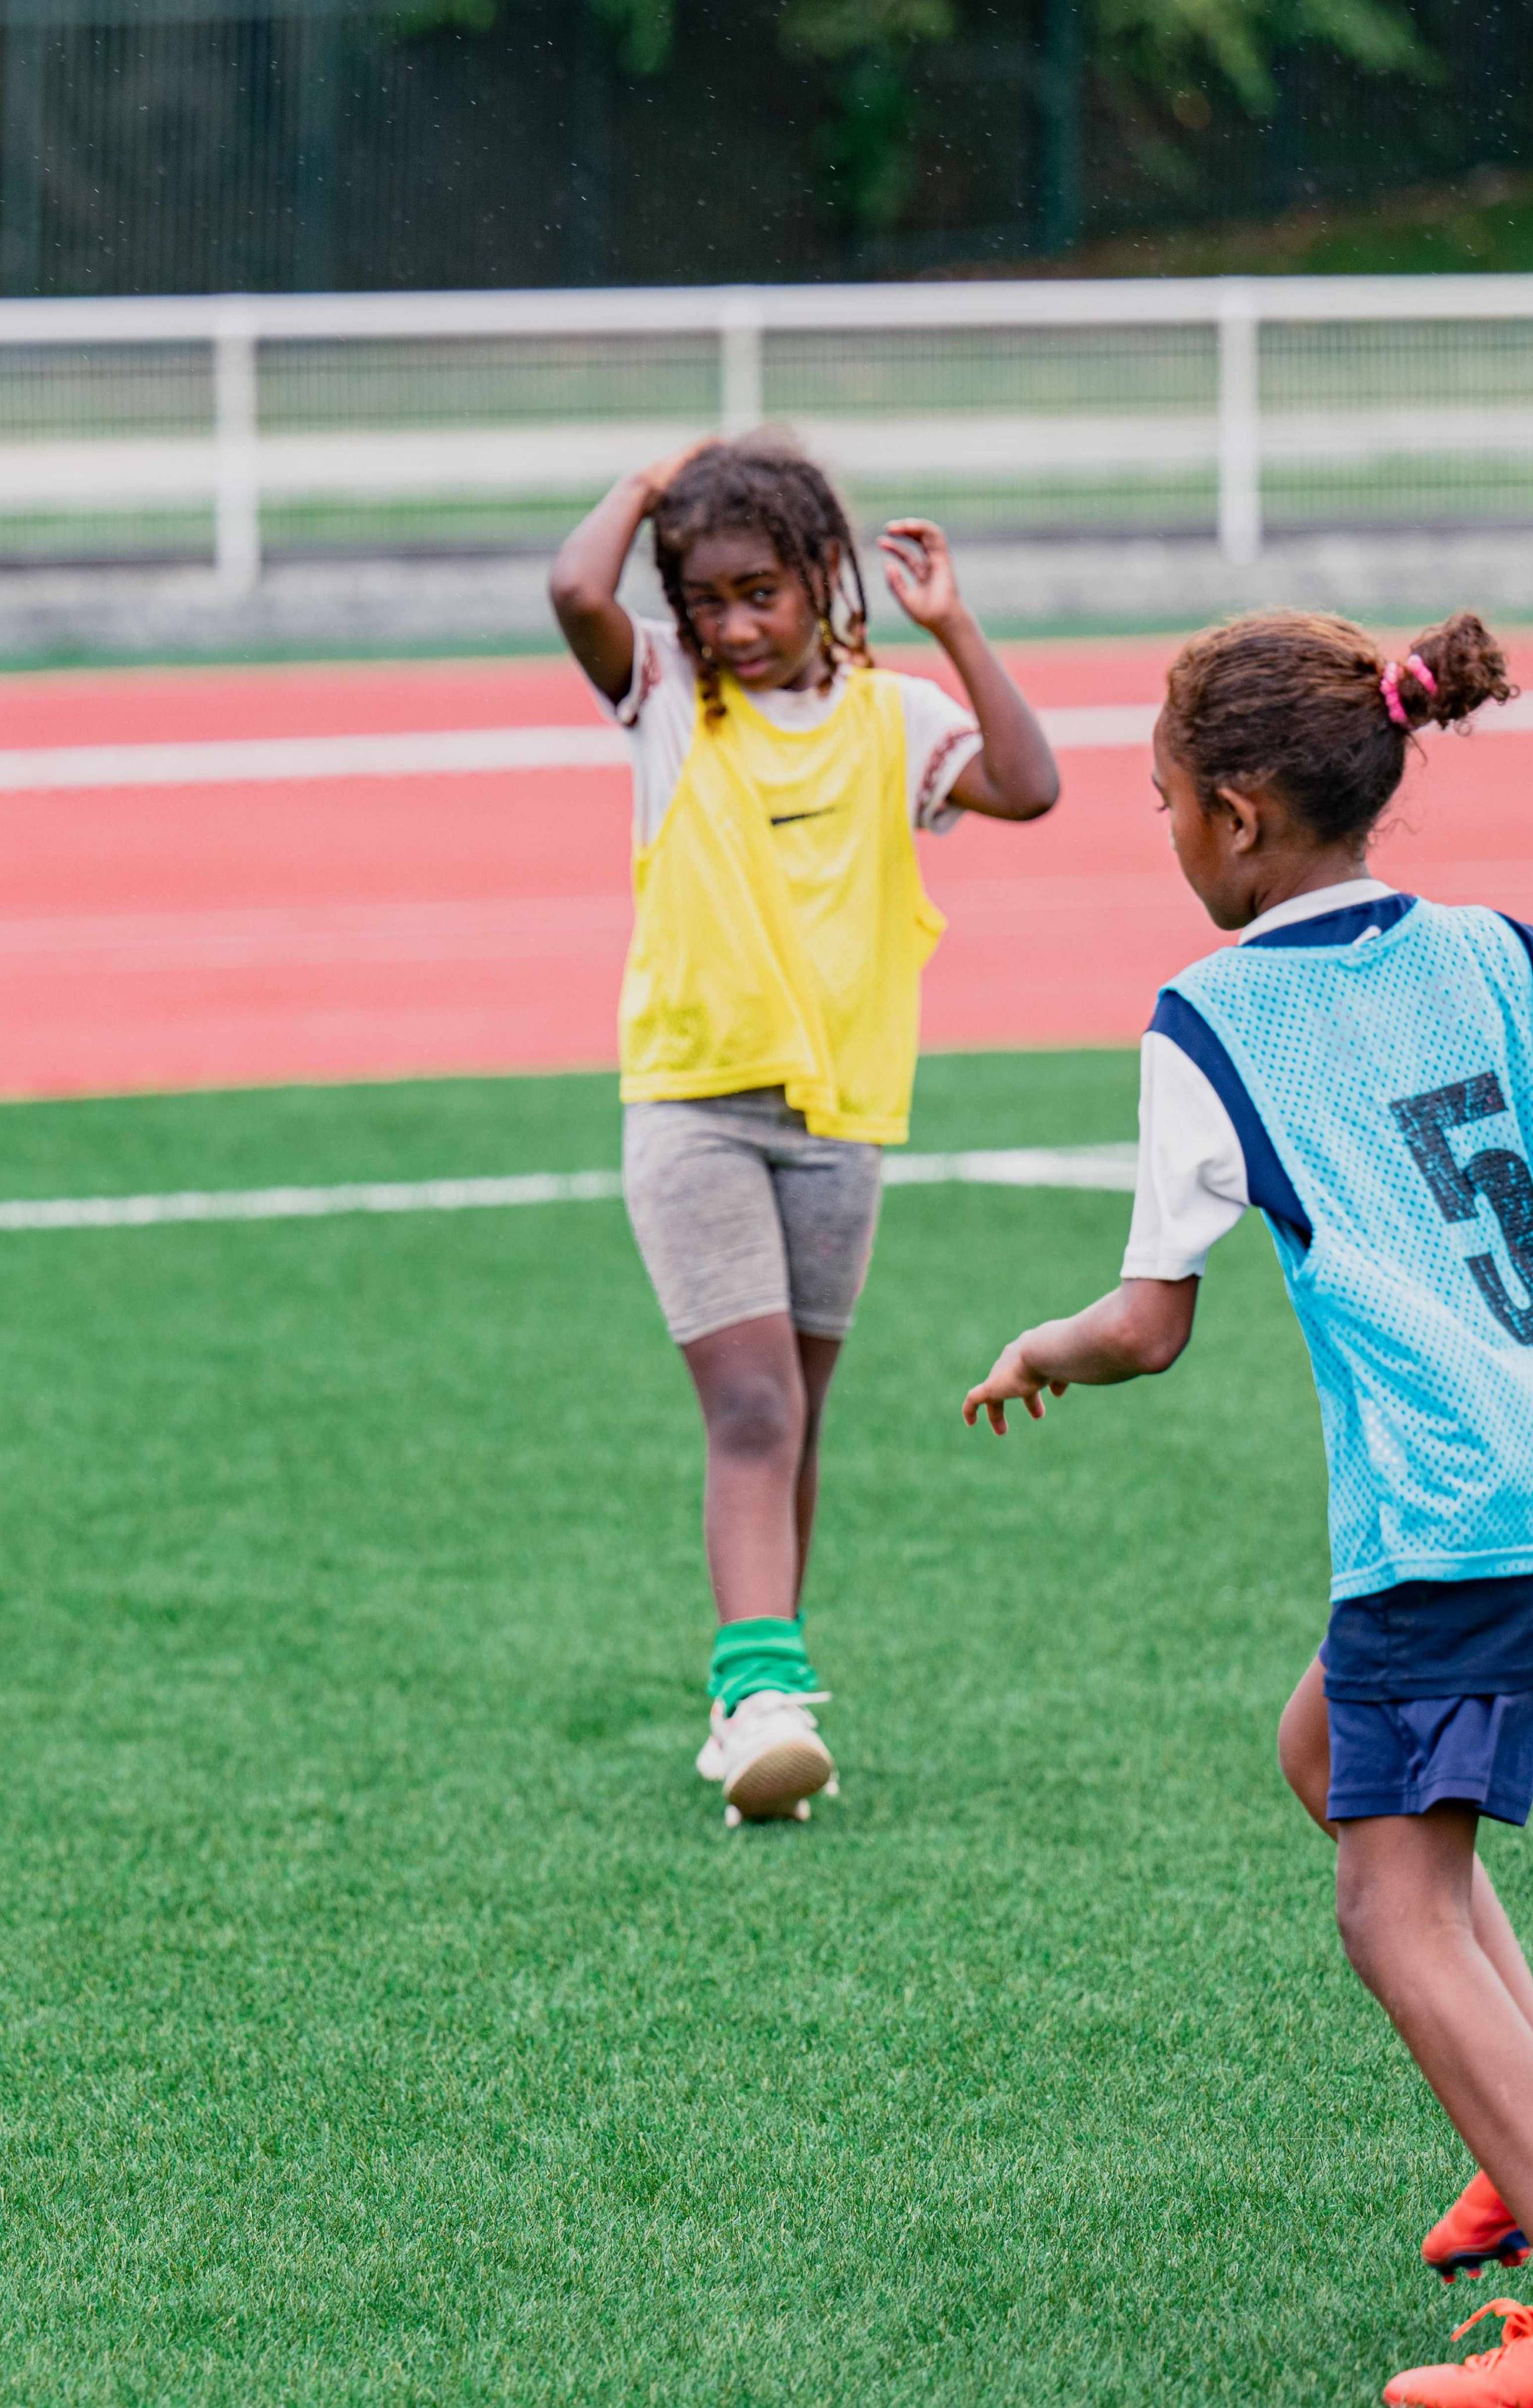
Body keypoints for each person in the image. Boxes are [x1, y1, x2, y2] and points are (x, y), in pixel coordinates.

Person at [963, 609, 1533, 2406]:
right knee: (1320, 1750)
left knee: (1383, 1906)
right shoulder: (1499, 949)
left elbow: (1147, 1322)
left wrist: (1044, 1341)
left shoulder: (1207, 1018)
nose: (1162, 836)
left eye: (1156, 807)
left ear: (1233, 816)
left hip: (1449, 1510)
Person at [549, 433, 1061, 1824]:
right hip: (693, 1103)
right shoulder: (665, 697)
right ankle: (762, 1693)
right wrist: (647, 484)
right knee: (754, 1406)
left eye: (760, 591)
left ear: (820, 574)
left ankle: (755, 1688)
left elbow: (1029, 783)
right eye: (703, 597)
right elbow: (572, 592)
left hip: (842, 1115)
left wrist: (951, 623)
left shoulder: (891, 719)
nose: (733, 625)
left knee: (795, 1416)